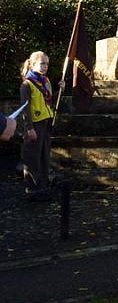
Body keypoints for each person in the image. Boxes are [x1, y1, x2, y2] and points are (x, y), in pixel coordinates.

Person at [20, 51, 65, 200]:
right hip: (34, 125)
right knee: (32, 158)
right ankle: (32, 190)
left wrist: (60, 89)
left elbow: (48, 100)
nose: (45, 66)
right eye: (42, 63)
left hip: (46, 123)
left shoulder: (45, 81)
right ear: (33, 64)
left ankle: (43, 187)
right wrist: (29, 128)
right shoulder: (27, 85)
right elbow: (25, 109)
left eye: (47, 64)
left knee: (44, 156)